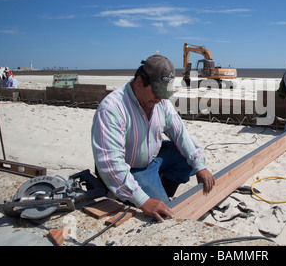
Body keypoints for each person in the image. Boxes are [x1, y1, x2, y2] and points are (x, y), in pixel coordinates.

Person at [91, 55, 215, 222]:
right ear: (140, 82)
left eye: (163, 94)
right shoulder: (112, 109)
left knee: (185, 156)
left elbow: (180, 134)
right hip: (131, 168)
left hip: (154, 158)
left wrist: (200, 166)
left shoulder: (161, 102)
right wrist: (144, 201)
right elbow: (111, 164)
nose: (159, 99)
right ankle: (135, 194)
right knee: (166, 212)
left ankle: (163, 190)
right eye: (157, 93)